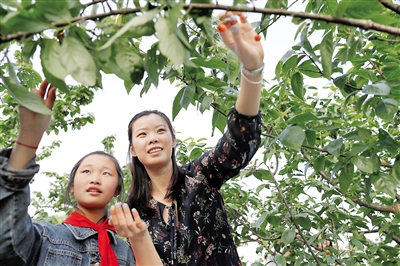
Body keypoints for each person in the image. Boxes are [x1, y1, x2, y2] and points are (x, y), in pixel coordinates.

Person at [111, 12, 264, 265]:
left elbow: (239, 141)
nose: (152, 138)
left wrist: (252, 70)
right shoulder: (132, 212)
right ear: (133, 150)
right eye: (142, 134)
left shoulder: (201, 176)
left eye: (160, 131)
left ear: (174, 140)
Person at [0, 80, 162, 266]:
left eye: (106, 173)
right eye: (86, 171)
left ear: (117, 190)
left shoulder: (127, 251)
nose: (95, 179)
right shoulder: (44, 237)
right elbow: (6, 243)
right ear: (71, 186)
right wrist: (28, 138)